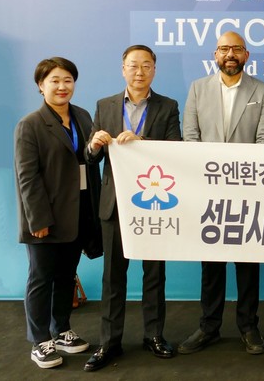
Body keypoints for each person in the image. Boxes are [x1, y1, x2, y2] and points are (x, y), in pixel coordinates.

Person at [83, 45, 182, 372]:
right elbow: (91, 157)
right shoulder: (105, 105)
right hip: (114, 204)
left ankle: (154, 335)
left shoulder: (168, 106)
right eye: (133, 65)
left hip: (154, 203)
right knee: (113, 277)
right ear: (123, 69)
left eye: (146, 66)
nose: (140, 72)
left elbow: (176, 150)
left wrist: (142, 143)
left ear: (154, 69)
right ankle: (109, 342)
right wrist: (94, 145)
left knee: (154, 275)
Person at [178, 31, 264, 356]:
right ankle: (209, 326)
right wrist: (211, 175)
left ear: (246, 55)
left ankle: (248, 326)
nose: (230, 54)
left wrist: (239, 177)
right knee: (212, 263)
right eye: (224, 49)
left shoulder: (262, 90)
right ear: (215, 54)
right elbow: (190, 137)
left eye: (236, 49)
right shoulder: (197, 88)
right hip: (208, 191)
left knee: (247, 263)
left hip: (248, 191)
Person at [14, 57, 101, 369]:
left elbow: (89, 159)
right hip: (46, 217)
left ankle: (61, 329)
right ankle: (40, 341)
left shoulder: (82, 116)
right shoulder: (30, 124)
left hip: (77, 212)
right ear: (41, 85)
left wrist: (98, 146)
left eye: (68, 80)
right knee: (41, 278)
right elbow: (27, 177)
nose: (62, 86)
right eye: (54, 80)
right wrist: (38, 220)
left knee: (66, 274)